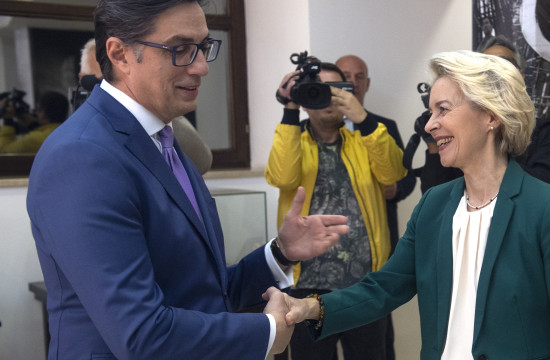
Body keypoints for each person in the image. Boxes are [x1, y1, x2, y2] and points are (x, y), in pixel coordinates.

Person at [26, 1, 349, 359]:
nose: (200, 67)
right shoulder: (83, 156)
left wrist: (279, 254)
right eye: (180, 50)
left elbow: (200, 289)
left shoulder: (163, 140)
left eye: (203, 48)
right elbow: (141, 334)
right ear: (119, 54)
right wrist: (267, 331)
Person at [274, 50, 550, 359]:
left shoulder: (548, 210)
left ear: (490, 115)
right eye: (431, 112)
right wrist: (310, 308)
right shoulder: (434, 205)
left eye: (443, 110)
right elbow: (384, 287)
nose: (430, 124)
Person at [265, 61, 406, 360]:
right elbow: (282, 176)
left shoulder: (365, 139)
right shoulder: (293, 139)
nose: (328, 98)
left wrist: (364, 120)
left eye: (337, 90)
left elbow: (393, 171)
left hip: (364, 286)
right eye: (320, 90)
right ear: (306, 97)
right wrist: (290, 108)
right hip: (306, 286)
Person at [336, 54, 416, 360]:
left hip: (377, 251)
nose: (353, 83)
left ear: (367, 84)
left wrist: (396, 188)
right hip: (327, 256)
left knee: (379, 338)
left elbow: (407, 177)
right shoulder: (311, 128)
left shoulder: (384, 126)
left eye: (359, 77)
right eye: (346, 76)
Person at [418, 35, 550, 193]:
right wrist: (435, 146)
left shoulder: (543, 131)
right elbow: (432, 190)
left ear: (519, 76)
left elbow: (544, 185)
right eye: (485, 71)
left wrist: (488, 165)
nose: (429, 125)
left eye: (443, 109)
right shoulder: (436, 198)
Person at [78, 37, 213, 174]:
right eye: (104, 81)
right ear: (83, 80)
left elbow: (202, 161)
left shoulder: (163, 122)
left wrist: (160, 113)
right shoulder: (80, 140)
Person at [0, 91, 68, 153]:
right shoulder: (66, 132)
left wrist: (8, 119)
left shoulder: (33, 140)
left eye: (38, 110)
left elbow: (4, 151)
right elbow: (44, 133)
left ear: (43, 113)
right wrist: (30, 123)